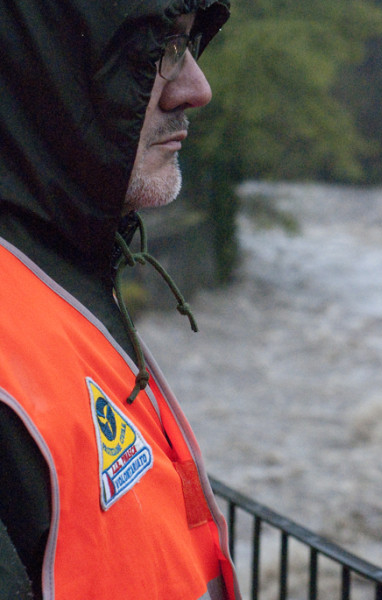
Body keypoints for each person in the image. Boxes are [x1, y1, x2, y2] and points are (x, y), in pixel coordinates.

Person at [0, 1, 240, 598]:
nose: (196, 89)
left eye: (186, 46)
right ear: (45, 73)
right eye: (161, 50)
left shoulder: (59, 273)